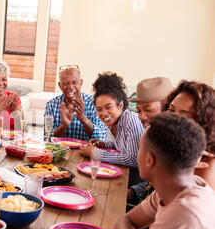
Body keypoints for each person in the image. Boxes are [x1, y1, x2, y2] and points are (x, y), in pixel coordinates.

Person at [108, 113, 215, 229]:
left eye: (139, 149)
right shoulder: (180, 187)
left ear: (149, 160)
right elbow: (126, 221)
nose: (137, 154)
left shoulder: (184, 214)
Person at [79, 72, 144, 186]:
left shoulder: (130, 119)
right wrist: (104, 145)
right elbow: (122, 146)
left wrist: (96, 154)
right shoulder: (113, 122)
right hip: (121, 175)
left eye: (108, 107)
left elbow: (132, 158)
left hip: (133, 184)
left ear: (120, 105)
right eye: (99, 109)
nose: (103, 113)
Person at [126, 77, 174, 205]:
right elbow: (151, 185)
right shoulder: (153, 135)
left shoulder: (177, 144)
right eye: (139, 111)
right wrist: (133, 191)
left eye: (148, 109)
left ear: (166, 107)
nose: (141, 116)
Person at [164, 80, 215, 189]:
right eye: (171, 110)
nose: (171, 120)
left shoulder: (206, 165)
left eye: (184, 117)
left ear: (203, 124)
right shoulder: (174, 148)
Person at [45, 65, 107, 141]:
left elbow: (102, 138)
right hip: (60, 151)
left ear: (81, 83)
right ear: (60, 85)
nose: (70, 87)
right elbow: (47, 137)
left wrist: (83, 119)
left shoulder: (94, 103)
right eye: (65, 84)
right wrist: (64, 126)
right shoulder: (51, 105)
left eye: (74, 82)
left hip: (86, 151)